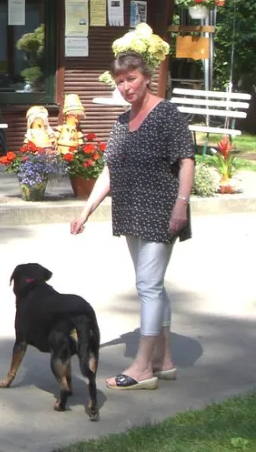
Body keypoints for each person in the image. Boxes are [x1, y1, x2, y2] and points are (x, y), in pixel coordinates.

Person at [70, 51, 194, 391]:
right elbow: (110, 169)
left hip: (162, 210)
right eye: (120, 81)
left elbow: (186, 161)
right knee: (151, 283)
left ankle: (142, 368)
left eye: (131, 79)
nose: (126, 87)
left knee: (148, 286)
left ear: (147, 77)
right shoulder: (122, 122)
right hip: (131, 210)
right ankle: (164, 360)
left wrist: (181, 205)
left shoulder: (167, 113)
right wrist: (85, 211)